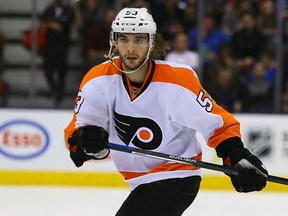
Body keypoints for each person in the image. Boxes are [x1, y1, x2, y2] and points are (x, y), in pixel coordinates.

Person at [64, 7, 268, 216]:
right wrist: (86, 142)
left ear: (151, 43)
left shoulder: (177, 80)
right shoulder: (98, 80)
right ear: (114, 41)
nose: (131, 48)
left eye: (139, 40)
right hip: (138, 181)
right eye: (124, 39)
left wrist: (235, 155)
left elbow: (217, 124)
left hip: (177, 175)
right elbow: (79, 134)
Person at [40, 0, 74, 107]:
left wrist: (51, 25)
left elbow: (62, 27)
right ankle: (54, 90)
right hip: (50, 46)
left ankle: (59, 94)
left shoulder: (68, 10)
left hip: (62, 46)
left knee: (61, 72)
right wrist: (52, 25)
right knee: (47, 70)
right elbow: (42, 23)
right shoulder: (50, 9)